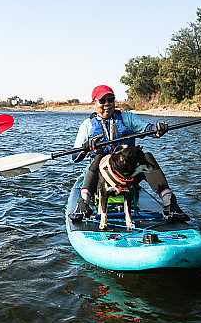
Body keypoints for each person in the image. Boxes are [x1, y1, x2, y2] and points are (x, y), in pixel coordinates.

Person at [69, 84, 189, 221]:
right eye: (102, 101)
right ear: (94, 104)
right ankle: (82, 204)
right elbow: (75, 157)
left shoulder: (127, 118)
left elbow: (148, 129)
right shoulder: (87, 125)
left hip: (128, 176)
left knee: (146, 157)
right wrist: (86, 147)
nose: (107, 104)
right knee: (99, 158)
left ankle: (170, 205)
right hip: (103, 178)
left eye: (111, 100)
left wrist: (158, 128)